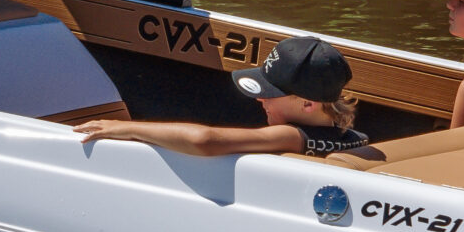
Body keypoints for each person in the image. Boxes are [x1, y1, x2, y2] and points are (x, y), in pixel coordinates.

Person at [72, 35, 368, 158]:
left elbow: (205, 140)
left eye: (271, 94)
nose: (260, 100)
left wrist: (124, 128)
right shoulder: (356, 138)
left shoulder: (290, 136)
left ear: (308, 104)